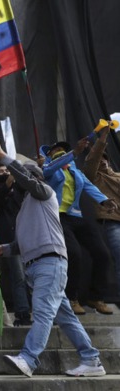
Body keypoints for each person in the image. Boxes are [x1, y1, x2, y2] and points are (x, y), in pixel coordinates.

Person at [0, 136, 106, 378]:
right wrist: (5, 249)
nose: (16, 185)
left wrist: (2, 154)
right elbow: (21, 244)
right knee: (66, 318)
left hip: (50, 263)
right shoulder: (23, 212)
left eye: (20, 179)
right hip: (39, 267)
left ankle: (29, 359)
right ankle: (91, 359)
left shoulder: (44, 192)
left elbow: (25, 178)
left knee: (41, 312)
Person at [40, 140, 115, 315]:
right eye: (56, 150)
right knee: (73, 253)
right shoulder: (48, 169)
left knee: (102, 253)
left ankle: (96, 297)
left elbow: (89, 187)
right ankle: (71, 298)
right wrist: (73, 152)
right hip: (57, 217)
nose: (60, 152)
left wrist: (104, 200)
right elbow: (48, 171)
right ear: (49, 155)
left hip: (76, 215)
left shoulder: (75, 171)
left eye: (63, 150)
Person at [0, 163, 31, 326]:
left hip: (27, 235)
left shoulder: (20, 190)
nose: (5, 172)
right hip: (9, 238)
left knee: (32, 275)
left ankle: (41, 311)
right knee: (18, 276)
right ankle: (22, 313)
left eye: (8, 170)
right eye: (1, 171)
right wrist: (8, 183)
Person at [83, 126, 120, 303]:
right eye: (100, 159)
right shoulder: (94, 178)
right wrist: (103, 137)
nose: (102, 161)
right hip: (111, 222)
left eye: (105, 159)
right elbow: (92, 161)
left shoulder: (118, 177)